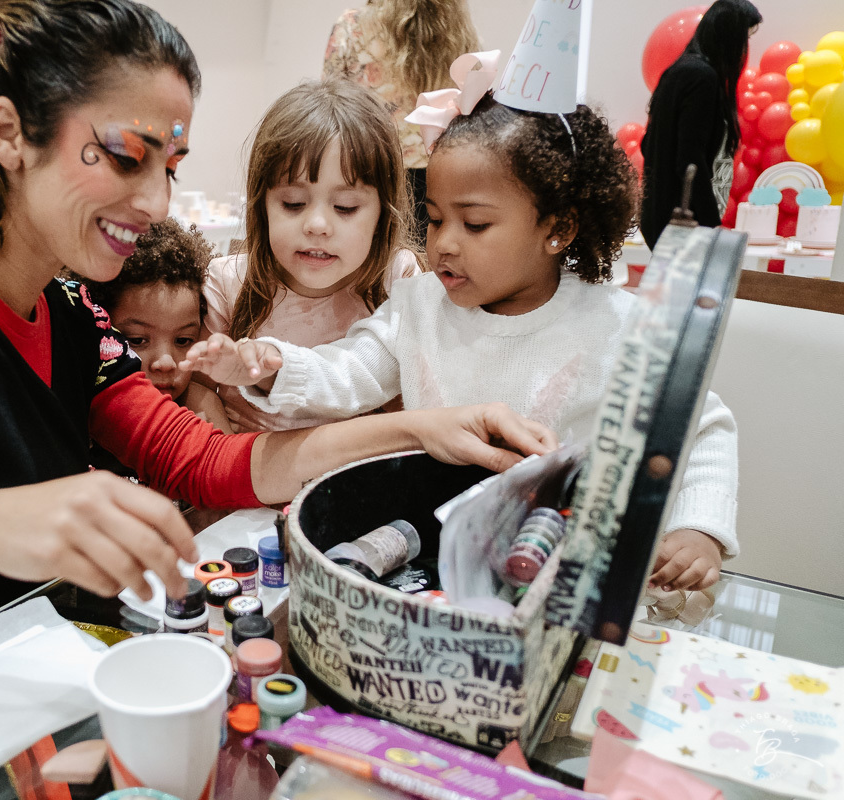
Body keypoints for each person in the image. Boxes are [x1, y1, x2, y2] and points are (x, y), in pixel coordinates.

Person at [0, 0, 554, 718]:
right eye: (124, 155)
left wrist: (414, 428)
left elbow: (209, 461)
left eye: (172, 162)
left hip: (0, 691)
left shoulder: (73, 309)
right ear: (9, 133)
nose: (158, 200)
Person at [183, 90, 739, 593]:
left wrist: (699, 529)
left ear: (558, 229)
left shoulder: (619, 324)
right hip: (437, 563)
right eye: (434, 218)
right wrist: (271, 364)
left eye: (474, 225)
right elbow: (349, 369)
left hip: (562, 571)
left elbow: (702, 428)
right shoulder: (419, 306)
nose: (444, 243)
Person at [202, 79, 421, 433]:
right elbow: (198, 389)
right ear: (262, 206)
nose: (317, 225)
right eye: (293, 203)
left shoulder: (397, 280)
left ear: (383, 212)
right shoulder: (228, 283)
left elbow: (407, 405)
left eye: (346, 207)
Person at [323, 0, 480, 246]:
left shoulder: (353, 25)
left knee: (372, 262)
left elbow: (330, 102)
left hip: (371, 167)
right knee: (427, 270)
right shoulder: (458, 29)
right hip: (438, 172)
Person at [85, 217, 232, 437]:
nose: (165, 362)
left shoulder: (201, 406)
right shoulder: (84, 404)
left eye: (183, 341)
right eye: (136, 340)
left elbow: (226, 465)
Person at [639, 0, 762, 249]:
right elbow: (690, 158)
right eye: (743, 37)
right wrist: (710, 221)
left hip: (660, 215)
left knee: (668, 286)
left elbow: (647, 143)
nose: (743, 48)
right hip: (684, 221)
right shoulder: (702, 78)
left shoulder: (678, 72)